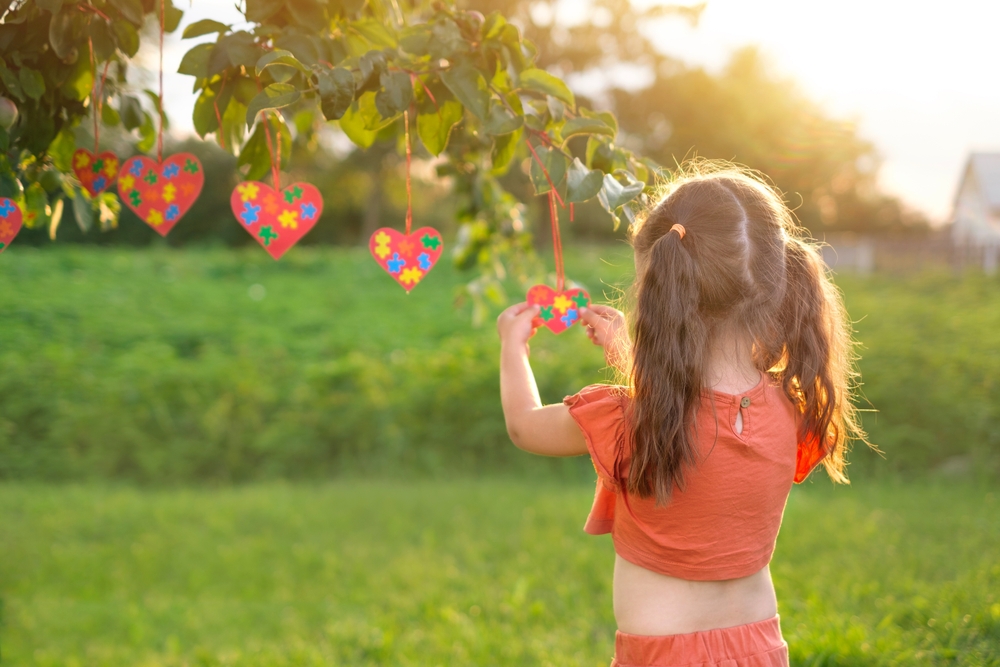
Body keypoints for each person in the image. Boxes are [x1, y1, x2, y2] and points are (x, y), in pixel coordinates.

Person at [496, 164, 864, 667]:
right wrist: (627, 357)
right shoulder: (790, 410)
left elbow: (524, 425)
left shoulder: (629, 418)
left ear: (658, 291)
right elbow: (704, 411)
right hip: (760, 647)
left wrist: (512, 349)